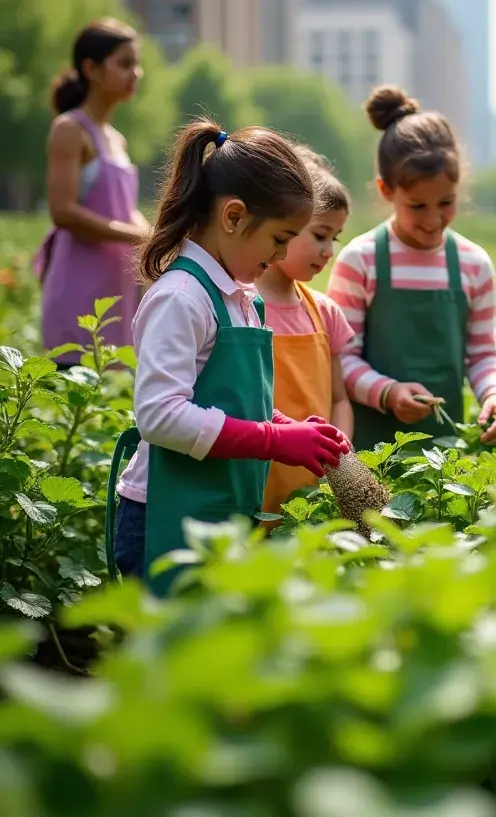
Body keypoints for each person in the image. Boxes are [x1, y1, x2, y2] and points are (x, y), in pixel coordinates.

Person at [107, 120, 350, 594]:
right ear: (234, 216)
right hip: (164, 515)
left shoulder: (242, 299)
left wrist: (286, 426)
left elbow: (232, 400)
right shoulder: (181, 297)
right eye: (280, 238)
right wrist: (273, 440)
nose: (282, 254)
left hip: (218, 507)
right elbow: (159, 416)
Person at [328, 85, 496, 451]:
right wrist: (387, 392)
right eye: (417, 206)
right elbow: (340, 361)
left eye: (446, 203)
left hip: (446, 454)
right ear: (386, 190)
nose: (433, 220)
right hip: (371, 452)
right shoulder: (361, 260)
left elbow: (484, 352)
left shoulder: (473, 265)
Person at [36, 19, 149, 366]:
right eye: (124, 63)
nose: (136, 73)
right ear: (91, 69)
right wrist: (138, 236)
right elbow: (63, 211)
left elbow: (124, 208)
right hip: (79, 288)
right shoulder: (69, 130)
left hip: (116, 288)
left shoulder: (116, 138)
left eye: (136, 64)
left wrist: (158, 236)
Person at [256, 146, 356, 518]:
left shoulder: (324, 312)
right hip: (256, 475)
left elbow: (339, 398)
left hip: (313, 487)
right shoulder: (241, 306)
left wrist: (341, 451)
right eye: (320, 235)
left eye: (335, 238)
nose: (329, 251)